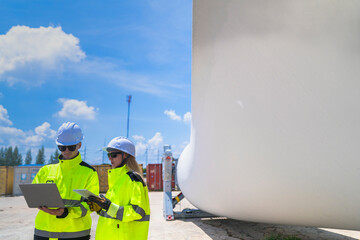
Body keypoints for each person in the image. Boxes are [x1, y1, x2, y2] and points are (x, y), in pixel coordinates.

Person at [32, 122, 99, 240]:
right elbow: (33, 194)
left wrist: (66, 212)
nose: (66, 151)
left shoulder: (89, 173)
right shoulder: (45, 170)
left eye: (71, 147)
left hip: (75, 233)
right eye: (62, 147)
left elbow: (91, 204)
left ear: (79, 145)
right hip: (44, 232)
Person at [86, 137, 150, 240]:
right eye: (109, 155)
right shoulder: (117, 180)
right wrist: (100, 207)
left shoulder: (133, 179)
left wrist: (109, 207)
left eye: (113, 155)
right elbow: (112, 211)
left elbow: (138, 211)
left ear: (125, 155)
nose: (110, 158)